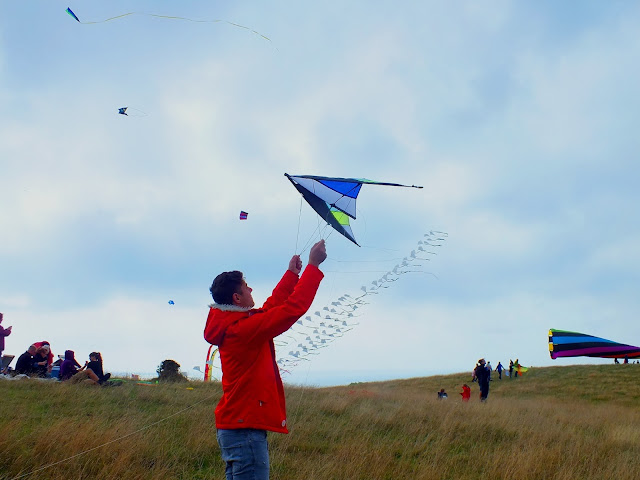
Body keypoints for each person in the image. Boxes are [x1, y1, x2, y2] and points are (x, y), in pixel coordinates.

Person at [204, 240, 327, 480]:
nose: (251, 289)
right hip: (244, 430)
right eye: (246, 287)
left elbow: (271, 308)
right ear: (237, 298)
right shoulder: (242, 330)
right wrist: (313, 266)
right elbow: (291, 309)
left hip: (235, 428)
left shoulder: (234, 325)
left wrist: (291, 275)